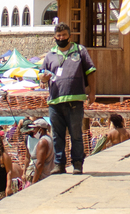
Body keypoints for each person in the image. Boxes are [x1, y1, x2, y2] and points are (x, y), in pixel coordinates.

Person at [39, 22, 96, 175]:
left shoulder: (80, 50)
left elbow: (90, 71)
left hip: (75, 100)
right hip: (55, 101)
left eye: (64, 35)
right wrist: (43, 79)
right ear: (54, 38)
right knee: (57, 135)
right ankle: (59, 164)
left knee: (76, 133)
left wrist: (92, 92)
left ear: (69, 36)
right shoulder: (49, 55)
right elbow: (41, 76)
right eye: (58, 36)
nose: (61, 38)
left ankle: (77, 163)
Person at [26, 118, 54, 184]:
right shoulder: (49, 138)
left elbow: (39, 163)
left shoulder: (42, 142)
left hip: (42, 178)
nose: (33, 131)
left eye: (35, 129)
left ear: (40, 130)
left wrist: (34, 182)